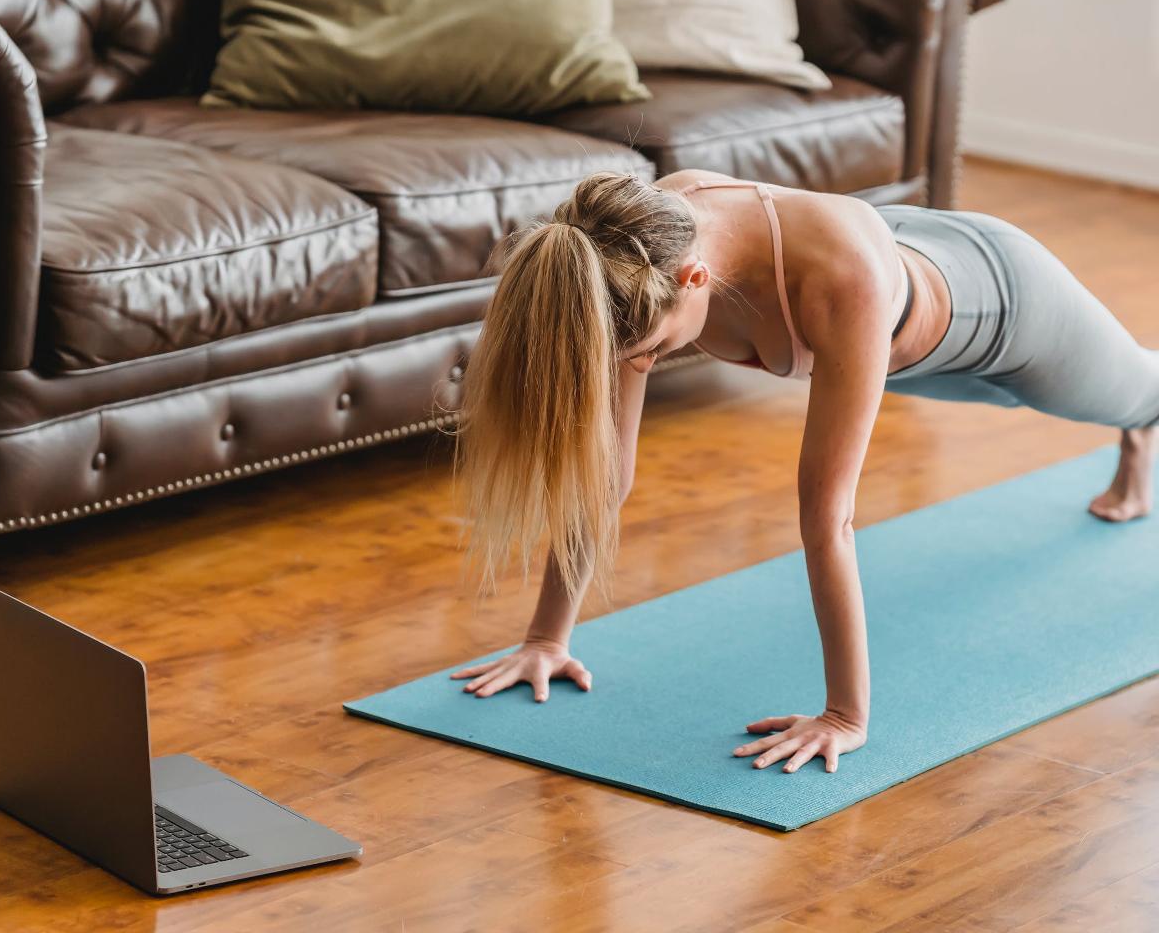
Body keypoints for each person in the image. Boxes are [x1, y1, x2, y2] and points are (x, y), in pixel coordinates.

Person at [444, 168, 1159, 775]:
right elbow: (610, 475)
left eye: (653, 350)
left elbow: (830, 518)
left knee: (1139, 394)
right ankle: (1133, 439)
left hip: (1003, 308)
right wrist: (546, 639)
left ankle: (1139, 427)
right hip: (897, 310)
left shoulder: (834, 284)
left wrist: (844, 716)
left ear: (696, 281)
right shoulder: (634, 252)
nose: (644, 363)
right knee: (1095, 406)